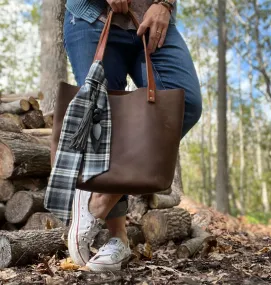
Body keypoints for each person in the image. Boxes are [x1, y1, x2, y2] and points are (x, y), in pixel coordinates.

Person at [64, 0, 202, 272]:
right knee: (105, 118)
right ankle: (118, 238)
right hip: (92, 18)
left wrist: (165, 3)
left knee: (185, 103)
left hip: (152, 19)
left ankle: (98, 199)